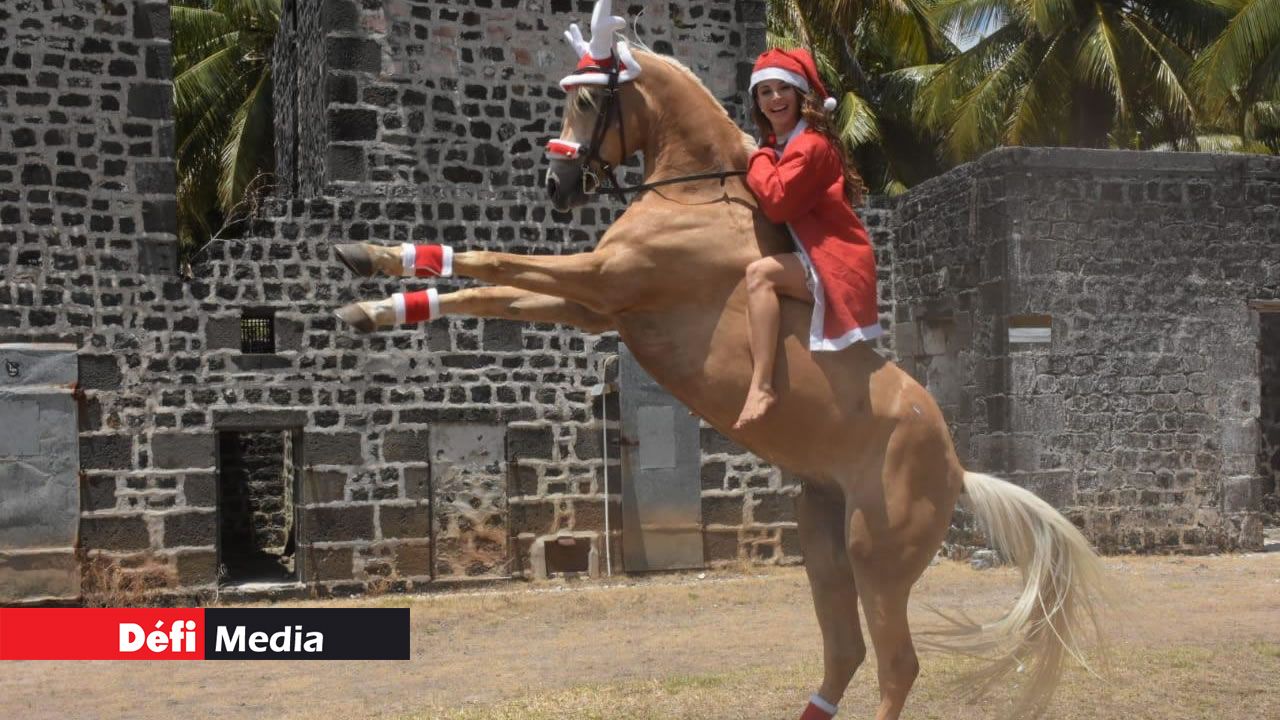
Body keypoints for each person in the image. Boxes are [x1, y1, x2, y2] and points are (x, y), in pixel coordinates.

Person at [733, 48, 882, 431]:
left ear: (801, 95)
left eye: (783, 88)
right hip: (813, 253)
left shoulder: (812, 145)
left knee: (760, 275)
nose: (775, 99)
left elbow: (779, 203)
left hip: (836, 261)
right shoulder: (785, 146)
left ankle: (763, 386)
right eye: (765, 92)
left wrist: (757, 158)